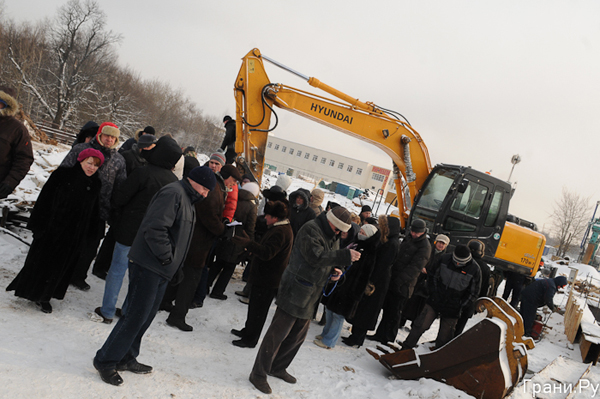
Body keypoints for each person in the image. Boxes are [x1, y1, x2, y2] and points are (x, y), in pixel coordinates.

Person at [93, 166, 216, 386]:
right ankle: (106, 360)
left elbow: (177, 236)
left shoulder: (188, 199)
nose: (206, 194)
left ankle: (126, 357)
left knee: (146, 316)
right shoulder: (174, 193)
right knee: (135, 316)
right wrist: (167, 258)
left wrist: (175, 266)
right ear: (192, 180)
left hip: (161, 268)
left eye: (209, 191)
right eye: (205, 188)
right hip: (148, 264)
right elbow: (155, 228)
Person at [248, 206, 361, 394]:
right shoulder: (311, 229)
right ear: (331, 222)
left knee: (297, 337)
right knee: (276, 335)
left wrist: (333, 271)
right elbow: (315, 257)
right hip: (295, 289)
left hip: (311, 292)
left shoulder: (330, 233)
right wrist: (344, 256)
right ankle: (258, 374)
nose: (339, 234)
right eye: (338, 229)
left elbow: (326, 260)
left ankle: (278, 367)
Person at [93, 137, 182, 323]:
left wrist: (117, 214)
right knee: (136, 277)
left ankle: (107, 311)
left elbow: (120, 197)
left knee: (117, 271)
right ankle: (126, 312)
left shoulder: (143, 173)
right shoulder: (175, 184)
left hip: (129, 230)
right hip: (151, 238)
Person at [6, 149, 104, 313]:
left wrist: (93, 232)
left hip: (74, 234)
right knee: (41, 262)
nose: (91, 168)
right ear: (80, 161)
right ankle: (32, 292)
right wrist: (37, 225)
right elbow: (45, 199)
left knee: (60, 267)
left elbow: (94, 210)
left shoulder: (95, 183)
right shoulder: (63, 175)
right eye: (89, 163)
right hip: (52, 229)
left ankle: (45, 296)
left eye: (96, 165)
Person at [164, 164, 242, 331]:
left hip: (195, 239)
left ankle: (164, 302)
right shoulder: (214, 190)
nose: (233, 184)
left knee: (181, 272)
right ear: (226, 176)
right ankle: (178, 316)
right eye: (233, 181)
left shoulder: (217, 187)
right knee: (191, 279)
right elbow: (210, 218)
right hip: (198, 242)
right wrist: (223, 229)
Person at [60, 121, 127, 291]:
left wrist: (114, 210)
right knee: (69, 240)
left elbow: (120, 187)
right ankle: (61, 272)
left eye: (113, 137)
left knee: (90, 245)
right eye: (107, 136)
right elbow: (64, 171)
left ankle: (78, 276)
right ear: (100, 135)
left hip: (100, 209)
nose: (109, 140)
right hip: (75, 204)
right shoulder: (80, 149)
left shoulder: (119, 160)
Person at [230, 200, 293, 348]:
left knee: (259, 311)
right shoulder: (279, 228)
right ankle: (248, 331)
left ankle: (250, 339)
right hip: (264, 277)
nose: (265, 218)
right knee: (254, 307)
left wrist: (248, 244)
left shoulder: (281, 231)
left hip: (268, 279)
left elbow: (267, 253)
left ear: (275, 218)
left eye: (268, 216)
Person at [401, 244, 482, 350]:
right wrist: (434, 292)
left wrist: (460, 305)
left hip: (453, 308)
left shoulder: (475, 269)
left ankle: (437, 358)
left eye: (460, 262)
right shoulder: (444, 259)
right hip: (435, 300)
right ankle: (405, 348)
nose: (457, 264)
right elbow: (432, 275)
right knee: (420, 325)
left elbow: (473, 293)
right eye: (455, 261)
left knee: (445, 337)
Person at [314, 223, 380, 349]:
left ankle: (329, 342)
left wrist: (356, 293)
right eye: (360, 231)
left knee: (338, 315)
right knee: (329, 310)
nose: (360, 234)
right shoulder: (355, 243)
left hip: (350, 288)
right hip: (340, 282)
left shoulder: (370, 252)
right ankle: (325, 334)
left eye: (363, 233)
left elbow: (365, 275)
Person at [371, 218, 431, 343]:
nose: (414, 234)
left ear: (422, 232)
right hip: (393, 279)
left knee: (395, 312)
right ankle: (380, 334)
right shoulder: (408, 238)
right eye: (413, 231)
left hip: (404, 285)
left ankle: (389, 337)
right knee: (387, 309)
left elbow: (415, 268)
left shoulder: (425, 246)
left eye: (417, 233)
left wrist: (398, 281)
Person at [349, 216, 400, 346]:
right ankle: (355, 335)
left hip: (377, 282)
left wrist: (371, 281)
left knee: (368, 311)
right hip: (373, 278)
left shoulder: (392, 244)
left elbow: (382, 265)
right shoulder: (385, 240)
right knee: (362, 308)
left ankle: (358, 338)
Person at [208, 181, 259, 300]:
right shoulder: (252, 206)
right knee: (229, 267)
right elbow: (250, 227)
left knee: (218, 263)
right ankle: (218, 291)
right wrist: (250, 243)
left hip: (226, 234)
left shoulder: (233, 197)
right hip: (239, 240)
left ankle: (204, 285)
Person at [396, 234, 450, 331]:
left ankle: (414, 324)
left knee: (421, 306)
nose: (441, 245)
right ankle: (401, 321)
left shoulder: (445, 258)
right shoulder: (429, 250)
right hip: (419, 279)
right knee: (409, 301)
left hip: (429, 284)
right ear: (436, 242)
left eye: (443, 244)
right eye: (440, 242)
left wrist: (429, 273)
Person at [0, 86, 34, 199]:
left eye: (1, 103)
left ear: (8, 106)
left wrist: (9, 182)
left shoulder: (17, 129)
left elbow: (24, 159)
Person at [454, 239, 491, 336]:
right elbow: (484, 289)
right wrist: (477, 305)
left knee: (447, 326)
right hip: (470, 302)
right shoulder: (485, 268)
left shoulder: (462, 261)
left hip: (456, 299)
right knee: (459, 328)